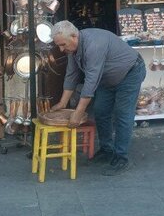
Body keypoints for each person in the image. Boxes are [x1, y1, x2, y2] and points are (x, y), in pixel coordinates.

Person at [49, 20, 147, 176]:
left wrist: (78, 112)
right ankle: (106, 150)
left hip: (130, 72)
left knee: (122, 114)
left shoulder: (94, 45)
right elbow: (71, 75)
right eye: (59, 45)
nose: (61, 49)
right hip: (107, 78)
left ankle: (121, 157)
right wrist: (62, 103)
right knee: (100, 110)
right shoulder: (72, 49)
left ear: (74, 36)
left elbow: (91, 81)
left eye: (63, 45)